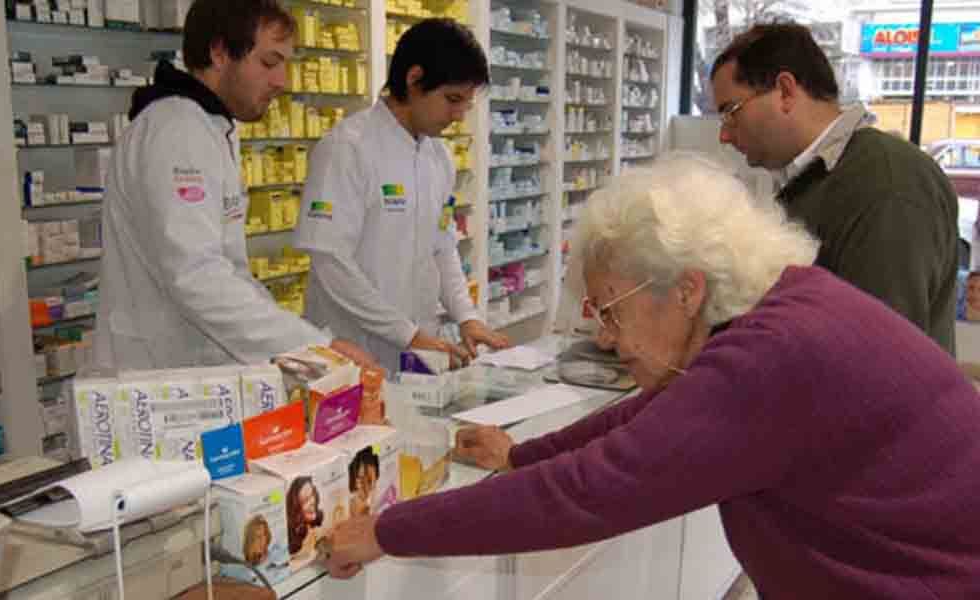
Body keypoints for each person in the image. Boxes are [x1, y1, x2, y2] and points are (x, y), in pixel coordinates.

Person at [320, 154, 980, 597]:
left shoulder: (773, 356)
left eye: (612, 309)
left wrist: (385, 531)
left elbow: (586, 492)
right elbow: (657, 413)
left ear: (686, 290)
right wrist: (522, 453)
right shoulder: (784, 309)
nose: (606, 337)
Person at [94, 0, 374, 370]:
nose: (281, 82)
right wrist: (314, 346)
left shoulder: (211, 126)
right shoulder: (178, 131)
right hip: (155, 379)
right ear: (220, 53)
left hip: (191, 373)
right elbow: (196, 275)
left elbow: (230, 272)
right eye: (269, 63)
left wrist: (299, 344)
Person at [710, 23, 959, 354]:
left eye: (731, 112)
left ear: (785, 91)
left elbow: (880, 358)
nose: (724, 135)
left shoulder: (887, 183)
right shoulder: (811, 181)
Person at [293, 18, 510, 373]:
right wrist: (406, 334)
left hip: (419, 346)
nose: (458, 115)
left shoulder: (438, 157)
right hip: (355, 350)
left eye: (465, 104)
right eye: (451, 99)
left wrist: (466, 316)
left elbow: (442, 247)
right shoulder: (347, 149)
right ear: (413, 79)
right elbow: (332, 264)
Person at [286, 477, 324, 560]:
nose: (312, 502)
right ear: (296, 507)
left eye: (312, 495)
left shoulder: (317, 523)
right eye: (306, 500)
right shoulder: (292, 536)